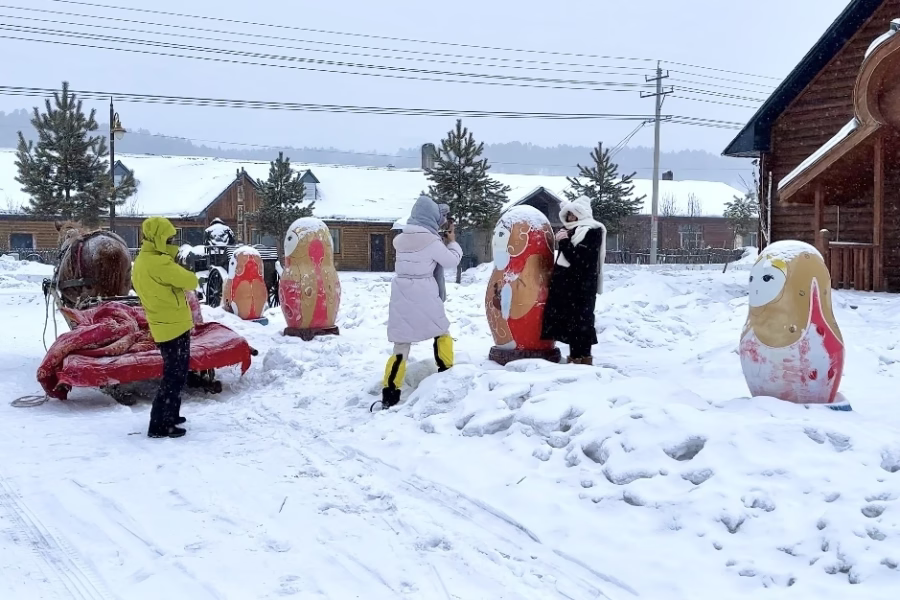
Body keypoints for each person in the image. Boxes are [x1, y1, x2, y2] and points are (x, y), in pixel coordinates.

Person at [379, 195, 462, 409]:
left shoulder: (402, 239)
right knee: (441, 331)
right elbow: (451, 261)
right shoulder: (432, 241)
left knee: (401, 345)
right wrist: (452, 242)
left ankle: (390, 392)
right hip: (424, 291)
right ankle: (446, 371)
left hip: (401, 292)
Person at [132, 217, 200, 438]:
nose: (172, 241)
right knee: (174, 376)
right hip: (174, 324)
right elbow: (190, 281)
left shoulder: (142, 261)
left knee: (175, 373)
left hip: (162, 323)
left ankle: (170, 414)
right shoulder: (160, 263)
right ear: (158, 238)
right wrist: (179, 266)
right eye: (169, 238)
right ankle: (160, 425)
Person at [541, 195, 607, 365]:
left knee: (581, 324)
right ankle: (575, 359)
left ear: (582, 214)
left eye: (574, 215)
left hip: (582, 288)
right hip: (570, 288)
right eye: (568, 215)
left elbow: (580, 259)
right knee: (572, 325)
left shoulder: (592, 231)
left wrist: (564, 242)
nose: (570, 218)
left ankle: (582, 360)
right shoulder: (573, 231)